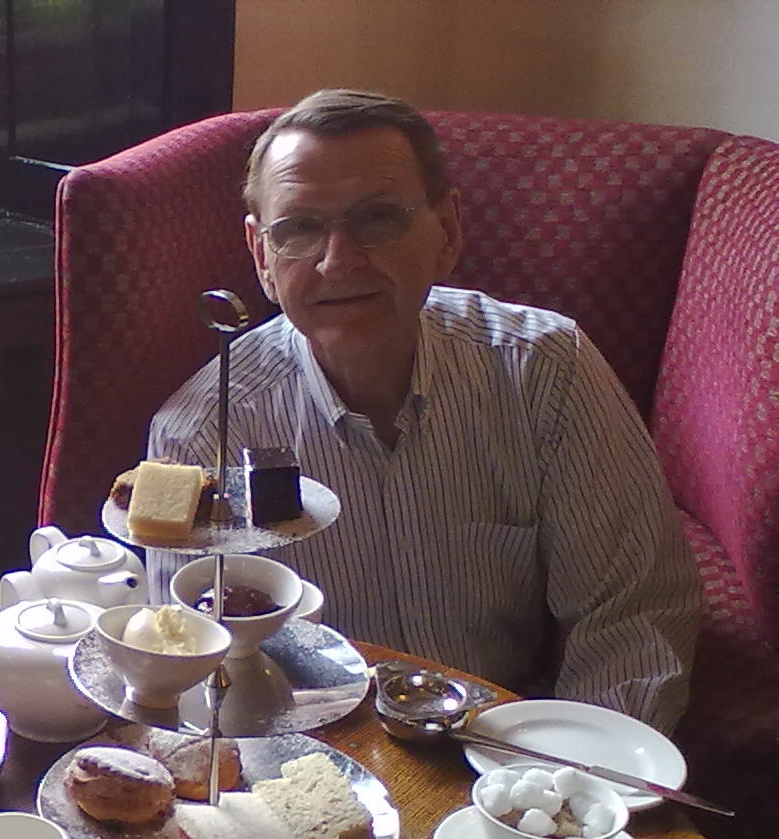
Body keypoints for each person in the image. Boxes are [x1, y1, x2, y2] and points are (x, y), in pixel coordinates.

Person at [147, 89, 700, 733]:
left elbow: (633, 617)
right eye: (299, 228)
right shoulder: (201, 438)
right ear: (262, 256)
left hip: (512, 746)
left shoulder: (545, 370)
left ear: (447, 231)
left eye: (378, 218)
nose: (337, 261)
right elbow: (194, 678)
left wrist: (574, 774)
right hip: (312, 756)